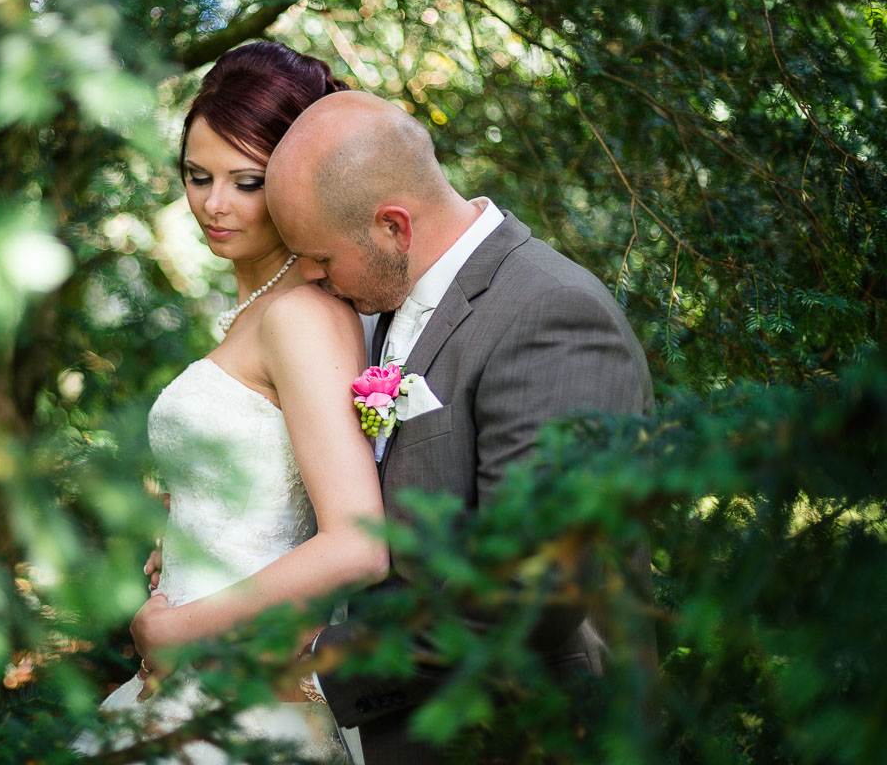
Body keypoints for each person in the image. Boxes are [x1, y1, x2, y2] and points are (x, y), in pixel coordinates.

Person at [262, 90, 655, 764]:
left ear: (394, 227)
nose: (315, 279)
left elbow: (531, 585)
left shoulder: (551, 312)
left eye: (322, 258)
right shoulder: (385, 300)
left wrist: (324, 667)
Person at [76, 44, 388, 764]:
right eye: (197, 175)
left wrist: (174, 632)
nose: (213, 205)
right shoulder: (256, 306)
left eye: (246, 182)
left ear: (297, 177)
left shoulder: (302, 316)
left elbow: (358, 543)